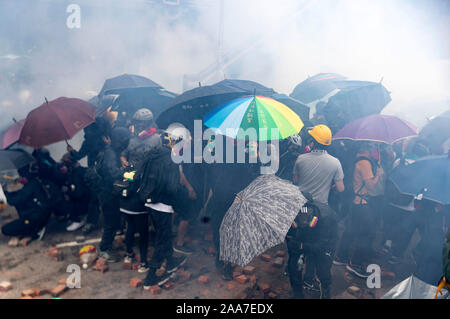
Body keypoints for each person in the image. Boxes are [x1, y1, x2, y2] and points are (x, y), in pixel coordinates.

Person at [136, 138, 187, 289]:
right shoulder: (171, 159)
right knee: (162, 238)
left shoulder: (153, 154)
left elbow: (139, 174)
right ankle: (151, 276)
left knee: (163, 234)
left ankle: (171, 262)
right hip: (163, 205)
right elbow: (172, 187)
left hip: (149, 202)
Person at [119, 108, 162, 272]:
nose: (139, 125)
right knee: (134, 224)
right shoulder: (132, 139)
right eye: (137, 122)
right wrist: (124, 162)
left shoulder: (156, 139)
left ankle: (137, 257)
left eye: (142, 122)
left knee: (139, 225)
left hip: (146, 182)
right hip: (132, 182)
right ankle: (136, 258)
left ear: (149, 123)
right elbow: (123, 155)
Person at [334, 142, 383, 278]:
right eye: (373, 147)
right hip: (361, 203)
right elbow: (371, 186)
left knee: (350, 231)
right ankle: (354, 264)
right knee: (367, 234)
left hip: (355, 202)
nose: (375, 149)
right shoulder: (365, 163)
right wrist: (378, 175)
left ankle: (340, 257)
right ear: (368, 148)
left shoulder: (356, 158)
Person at [97, 126, 131, 262]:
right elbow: (113, 174)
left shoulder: (112, 151)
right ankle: (104, 249)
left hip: (110, 193)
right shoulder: (110, 153)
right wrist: (129, 174)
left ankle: (108, 244)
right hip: (108, 194)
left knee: (115, 221)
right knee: (110, 222)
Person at [1, 164, 50, 241]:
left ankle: (35, 231)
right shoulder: (33, 182)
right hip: (39, 213)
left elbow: (14, 200)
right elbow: (20, 194)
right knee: (20, 206)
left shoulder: (31, 185)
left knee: (5, 230)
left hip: (37, 218)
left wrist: (4, 192)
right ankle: (31, 227)